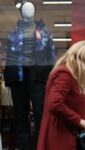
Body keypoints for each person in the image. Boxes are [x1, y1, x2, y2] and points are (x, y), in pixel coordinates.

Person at [4, 1, 56, 150]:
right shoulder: (13, 33)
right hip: (18, 75)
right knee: (21, 114)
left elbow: (51, 57)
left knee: (40, 113)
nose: (28, 11)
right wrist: (9, 78)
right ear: (21, 13)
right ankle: (24, 146)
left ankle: (39, 145)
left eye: (30, 8)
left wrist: (51, 78)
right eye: (25, 9)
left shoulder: (45, 33)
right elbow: (9, 57)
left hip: (38, 74)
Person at [37, 40, 85, 150]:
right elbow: (54, 104)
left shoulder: (70, 76)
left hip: (64, 138)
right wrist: (79, 121)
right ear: (78, 58)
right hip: (60, 139)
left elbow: (74, 107)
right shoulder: (64, 75)